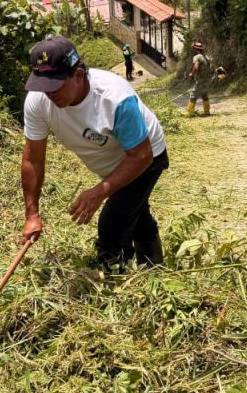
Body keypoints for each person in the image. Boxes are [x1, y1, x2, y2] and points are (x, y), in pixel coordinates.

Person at [21, 36, 168, 269]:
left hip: (146, 154)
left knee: (113, 223)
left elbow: (141, 155)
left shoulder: (115, 99)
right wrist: (32, 214)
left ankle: (111, 276)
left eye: (54, 86)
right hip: (110, 162)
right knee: (134, 211)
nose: (49, 94)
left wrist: (98, 192)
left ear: (78, 75)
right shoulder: (37, 102)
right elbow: (33, 161)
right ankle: (155, 269)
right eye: (43, 86)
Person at [186, 40, 211, 117]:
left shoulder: (197, 57)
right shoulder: (206, 57)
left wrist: (192, 74)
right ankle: (207, 112)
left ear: (195, 49)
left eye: (193, 48)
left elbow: (196, 67)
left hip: (200, 80)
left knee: (193, 95)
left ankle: (190, 112)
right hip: (206, 80)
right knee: (204, 95)